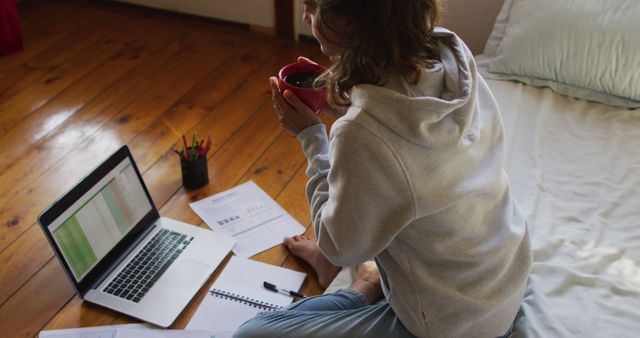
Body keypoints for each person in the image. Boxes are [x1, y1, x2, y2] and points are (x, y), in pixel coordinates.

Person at [234, 0, 532, 337]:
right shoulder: (450, 51)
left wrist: (311, 134)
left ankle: (364, 284)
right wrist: (348, 94)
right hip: (504, 275)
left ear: (349, 21)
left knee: (252, 333)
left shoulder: (364, 132)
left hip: (453, 323)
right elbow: (407, 145)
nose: (305, 16)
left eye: (313, 7)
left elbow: (339, 247)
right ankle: (369, 277)